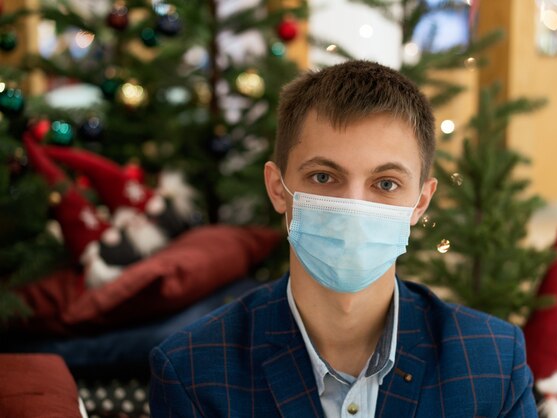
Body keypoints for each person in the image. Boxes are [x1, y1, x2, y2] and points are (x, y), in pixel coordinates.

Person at [149, 60, 537, 417]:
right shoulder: (193, 370)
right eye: (323, 177)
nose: (353, 205)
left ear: (420, 202)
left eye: (386, 184)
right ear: (278, 188)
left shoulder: (492, 363)